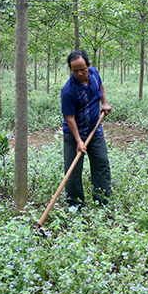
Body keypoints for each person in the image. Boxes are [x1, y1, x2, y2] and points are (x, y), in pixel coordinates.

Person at [61, 50, 112, 209]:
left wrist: (104, 102)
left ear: (88, 66)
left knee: (101, 163)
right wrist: (78, 141)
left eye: (82, 69)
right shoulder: (68, 91)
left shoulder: (94, 73)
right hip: (74, 133)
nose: (80, 73)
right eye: (75, 70)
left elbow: (101, 85)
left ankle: (102, 200)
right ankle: (75, 204)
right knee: (73, 169)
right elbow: (69, 118)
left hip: (94, 130)